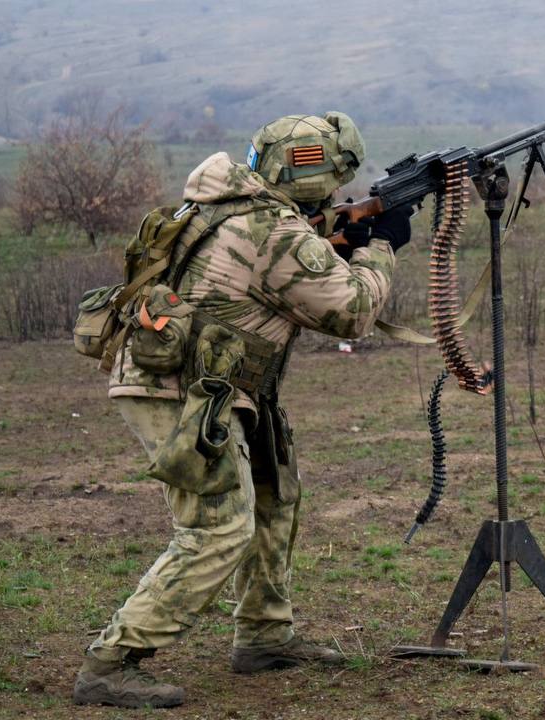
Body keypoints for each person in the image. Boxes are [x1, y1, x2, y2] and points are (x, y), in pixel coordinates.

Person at [73, 113, 413, 709]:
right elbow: (352, 311)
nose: (338, 189)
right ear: (315, 172)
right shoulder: (269, 227)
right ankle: (112, 661)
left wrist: (342, 240)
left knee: (274, 495)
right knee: (218, 527)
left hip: (215, 383)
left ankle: (264, 636)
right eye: (335, 177)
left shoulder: (226, 204)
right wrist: (380, 246)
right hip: (183, 388)